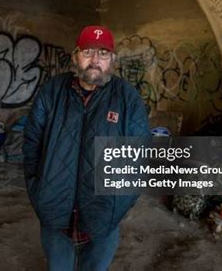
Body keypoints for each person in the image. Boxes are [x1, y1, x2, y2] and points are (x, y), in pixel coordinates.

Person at [23, 25, 150, 270]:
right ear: (75, 56)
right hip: (54, 211)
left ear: (112, 59)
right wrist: (39, 191)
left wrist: (118, 205)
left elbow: (139, 158)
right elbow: (31, 145)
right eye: (88, 51)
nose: (95, 60)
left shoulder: (127, 97)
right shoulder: (53, 91)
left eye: (103, 53)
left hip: (104, 213)